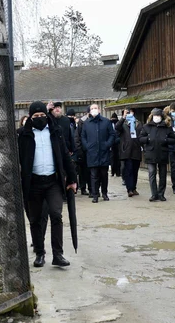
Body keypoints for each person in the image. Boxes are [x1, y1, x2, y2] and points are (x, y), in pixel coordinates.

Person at [18, 101, 77, 268]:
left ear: (47, 115)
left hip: (53, 182)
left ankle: (58, 254)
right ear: (30, 117)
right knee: (35, 219)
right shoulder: (24, 134)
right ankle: (40, 253)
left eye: (42, 115)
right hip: (33, 183)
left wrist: (72, 179)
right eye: (35, 116)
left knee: (56, 215)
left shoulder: (55, 131)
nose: (39, 118)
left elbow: (65, 156)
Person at [140, 108, 175, 202]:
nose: (156, 117)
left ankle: (161, 194)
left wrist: (166, 140)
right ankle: (154, 194)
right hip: (150, 153)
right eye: (155, 116)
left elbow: (174, 139)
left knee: (163, 175)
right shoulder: (146, 126)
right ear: (152, 116)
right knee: (152, 173)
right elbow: (140, 138)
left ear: (162, 117)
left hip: (162, 153)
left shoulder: (166, 127)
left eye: (158, 116)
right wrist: (147, 139)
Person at [81, 103, 116, 203]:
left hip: (104, 152)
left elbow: (112, 135)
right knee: (94, 175)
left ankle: (104, 193)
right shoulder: (86, 123)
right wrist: (87, 146)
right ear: (89, 111)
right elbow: (83, 136)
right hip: (92, 153)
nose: (94, 110)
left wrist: (107, 144)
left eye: (95, 108)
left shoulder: (106, 122)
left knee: (104, 175)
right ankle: (95, 195)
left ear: (99, 110)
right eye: (92, 109)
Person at [116, 107, 144, 198]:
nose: (129, 114)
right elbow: (117, 127)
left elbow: (142, 134)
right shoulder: (123, 123)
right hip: (126, 150)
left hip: (136, 150)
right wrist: (123, 117)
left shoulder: (138, 124)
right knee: (129, 170)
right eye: (127, 113)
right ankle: (129, 189)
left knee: (135, 170)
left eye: (131, 112)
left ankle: (134, 187)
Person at [73, 106, 92, 196]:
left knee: (92, 171)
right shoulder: (82, 122)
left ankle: (93, 189)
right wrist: (79, 150)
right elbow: (77, 137)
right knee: (83, 171)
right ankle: (83, 188)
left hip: (93, 151)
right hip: (83, 151)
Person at [110, 113, 122, 177]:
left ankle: (118, 172)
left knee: (118, 158)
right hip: (112, 143)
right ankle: (113, 172)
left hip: (118, 143)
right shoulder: (109, 124)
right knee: (112, 158)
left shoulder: (118, 124)